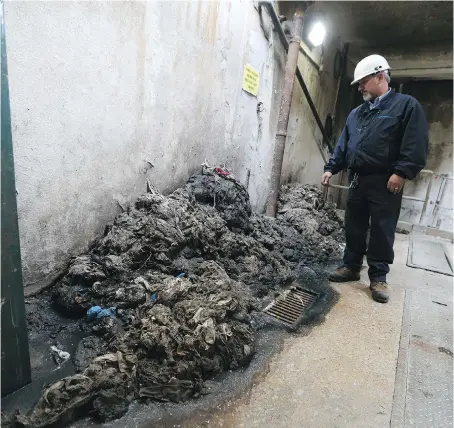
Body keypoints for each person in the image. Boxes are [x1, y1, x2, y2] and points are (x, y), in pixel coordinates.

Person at [322, 54, 428, 304]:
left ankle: (379, 276)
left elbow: (415, 142)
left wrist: (401, 172)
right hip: (358, 179)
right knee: (354, 225)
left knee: (382, 228)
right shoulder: (357, 113)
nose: (360, 87)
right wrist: (332, 167)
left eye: (364, 81)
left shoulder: (406, 106)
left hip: (386, 180)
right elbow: (344, 143)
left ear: (381, 76)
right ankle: (351, 266)